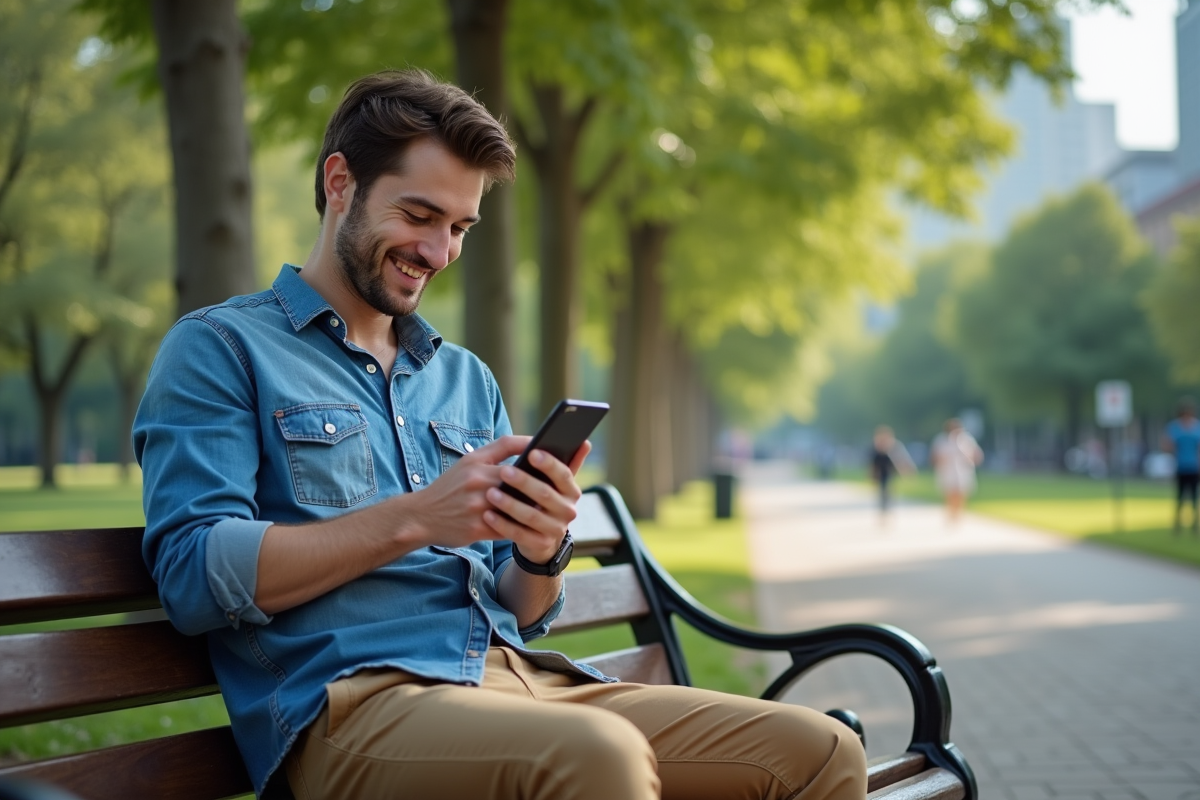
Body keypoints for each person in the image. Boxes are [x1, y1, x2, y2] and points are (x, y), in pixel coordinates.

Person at [133, 70, 865, 800]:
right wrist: (415, 518)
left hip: (521, 683)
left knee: (820, 748)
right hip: (352, 709)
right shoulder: (222, 349)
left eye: (459, 227)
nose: (440, 251)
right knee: (598, 754)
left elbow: (523, 609)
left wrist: (538, 547)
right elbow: (194, 574)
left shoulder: (465, 379)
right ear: (339, 183)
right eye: (419, 215)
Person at [930, 418, 983, 525]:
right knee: (950, 493)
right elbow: (934, 456)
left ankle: (958, 514)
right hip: (947, 471)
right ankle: (951, 513)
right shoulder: (941, 440)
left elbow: (977, 454)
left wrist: (970, 459)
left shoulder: (967, 439)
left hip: (963, 471)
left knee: (961, 493)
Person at [1162, 397, 1200, 535]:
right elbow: (1166, 444)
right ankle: (1177, 525)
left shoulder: (1196, 427)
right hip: (1181, 466)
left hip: (1194, 467)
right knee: (1180, 498)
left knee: (1195, 498)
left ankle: (1194, 525)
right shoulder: (1175, 427)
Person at [868, 426, 914, 522]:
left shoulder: (895, 446)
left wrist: (906, 470)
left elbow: (902, 459)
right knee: (882, 492)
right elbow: (873, 462)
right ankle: (884, 510)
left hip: (891, 473)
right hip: (881, 473)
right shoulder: (876, 447)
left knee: (889, 491)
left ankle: (888, 509)